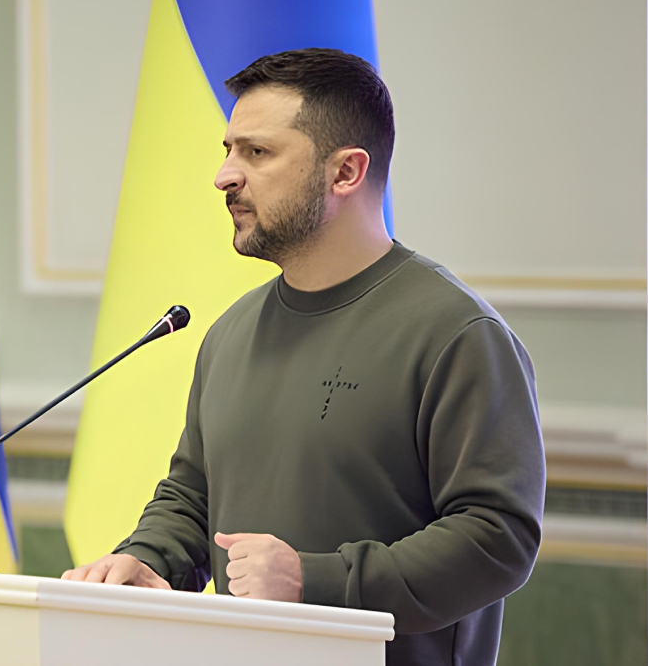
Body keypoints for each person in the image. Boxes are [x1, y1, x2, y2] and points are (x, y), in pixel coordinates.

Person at [62, 48, 545, 665]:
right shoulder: (231, 331)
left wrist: (312, 581)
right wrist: (147, 559)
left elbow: (498, 537)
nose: (224, 176)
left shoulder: (457, 333)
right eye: (228, 150)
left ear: (345, 172)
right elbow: (194, 495)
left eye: (257, 153)